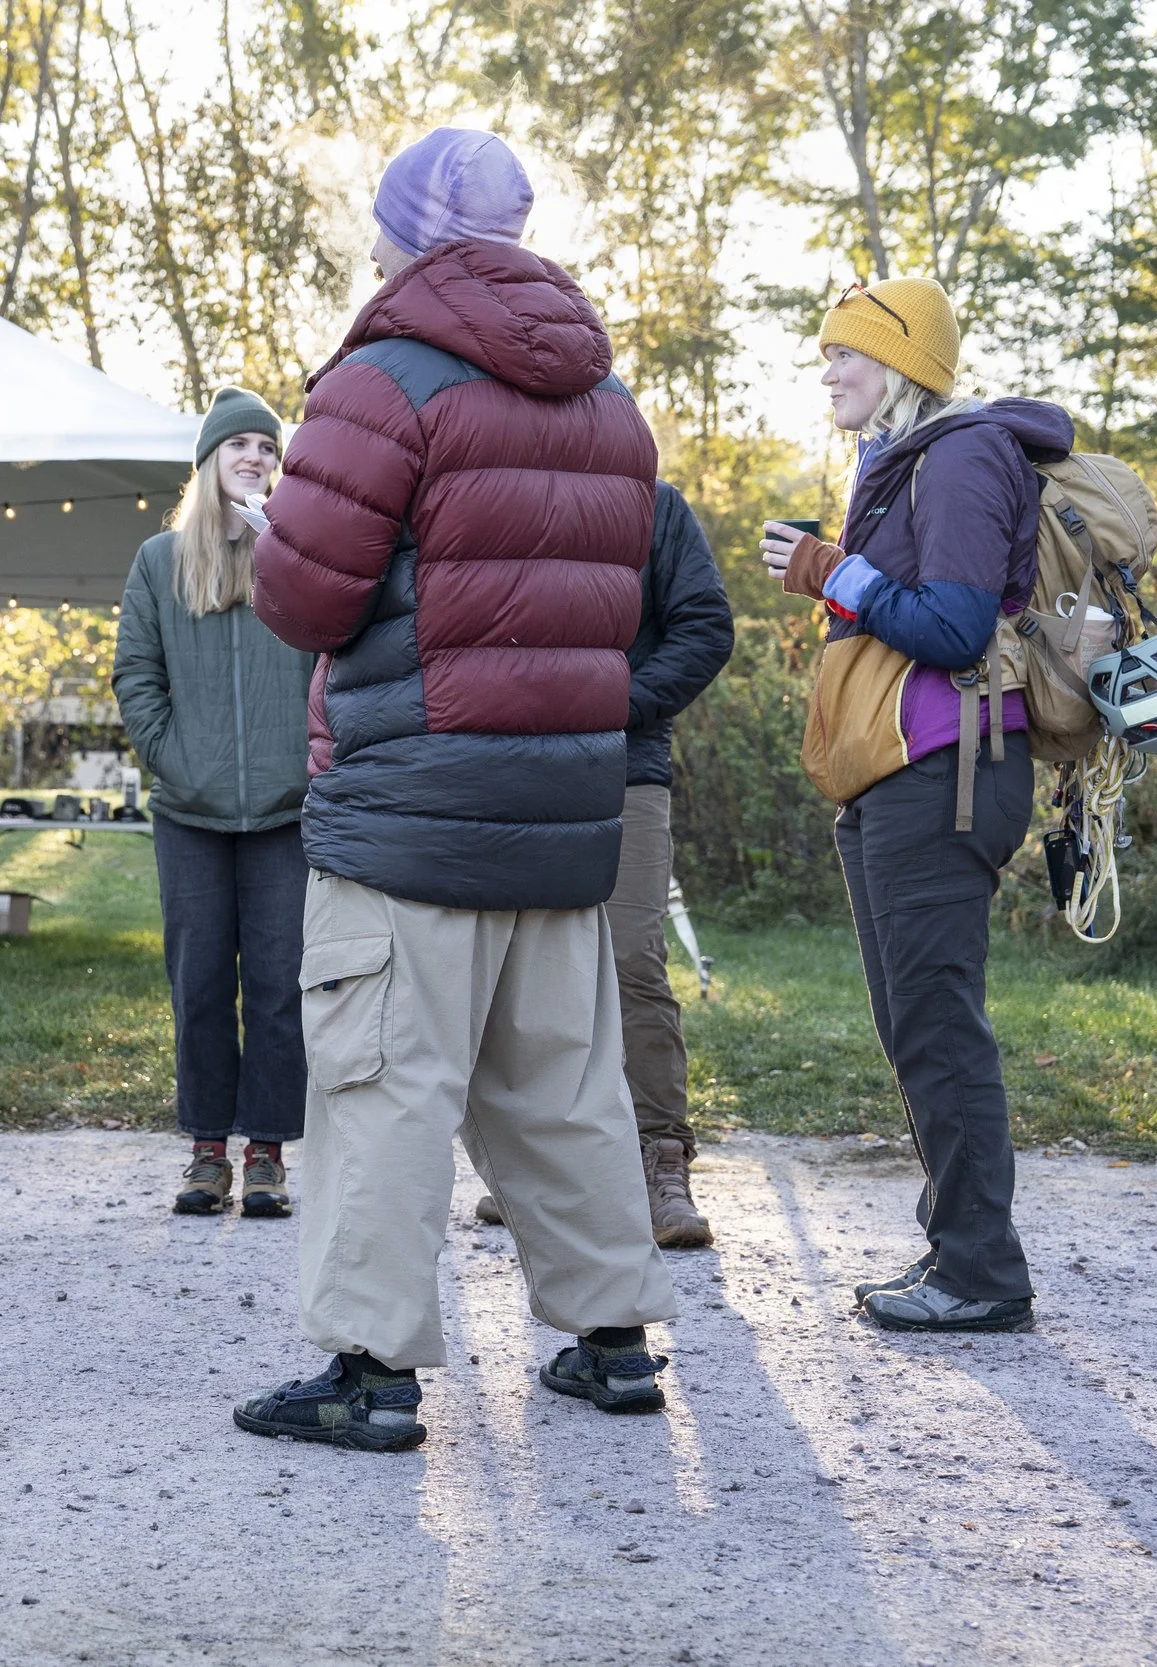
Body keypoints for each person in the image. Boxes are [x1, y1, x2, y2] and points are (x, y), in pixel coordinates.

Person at [232, 128, 680, 1450]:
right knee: (564, 1082)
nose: (366, 245)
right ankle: (612, 1342)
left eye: (379, 224)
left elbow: (306, 595)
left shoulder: (384, 379)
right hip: (561, 808)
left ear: (414, 233)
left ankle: (368, 1369)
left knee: (384, 1085)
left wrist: (277, 532)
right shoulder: (612, 404)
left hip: (412, 806)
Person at [758, 277, 1061, 1334]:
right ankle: (959, 1249)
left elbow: (959, 628)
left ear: (901, 362)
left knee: (937, 1024)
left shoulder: (963, 454)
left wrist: (837, 573)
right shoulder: (896, 463)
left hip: (946, 768)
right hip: (897, 774)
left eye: (844, 352)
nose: (828, 372)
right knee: (912, 1021)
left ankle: (981, 1270)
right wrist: (830, 572)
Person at [474, 482, 732, 1246]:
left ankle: (660, 1161)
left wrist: (618, 701)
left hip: (626, 766)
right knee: (522, 966)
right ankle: (536, 1171)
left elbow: (704, 627)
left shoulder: (653, 505)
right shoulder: (499, 491)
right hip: (513, 765)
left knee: (629, 958)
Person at [112, 386, 315, 1218]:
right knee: (199, 981)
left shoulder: (298, 553)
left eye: (268, 449)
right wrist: (172, 756)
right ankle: (206, 1149)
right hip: (189, 815)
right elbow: (136, 674)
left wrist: (289, 550)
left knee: (277, 982)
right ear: (208, 462)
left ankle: (265, 1150)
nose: (255, 458)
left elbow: (329, 661)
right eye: (240, 446)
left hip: (284, 814)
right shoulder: (160, 560)